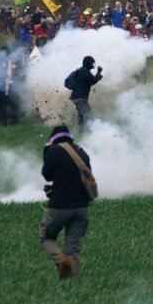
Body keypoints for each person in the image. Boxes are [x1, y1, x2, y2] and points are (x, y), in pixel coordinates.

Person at [39, 125, 94, 279]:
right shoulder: (81, 152)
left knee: (46, 237)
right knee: (73, 248)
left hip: (60, 206)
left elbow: (47, 175)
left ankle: (60, 259)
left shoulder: (53, 151)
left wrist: (46, 151)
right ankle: (71, 281)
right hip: (82, 208)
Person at [65, 55, 103, 130]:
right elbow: (94, 80)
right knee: (89, 116)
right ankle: (94, 132)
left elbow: (91, 82)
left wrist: (98, 74)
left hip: (77, 97)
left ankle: (80, 132)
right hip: (80, 98)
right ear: (88, 63)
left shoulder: (83, 71)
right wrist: (99, 72)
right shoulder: (84, 71)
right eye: (92, 63)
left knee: (82, 117)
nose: (93, 65)